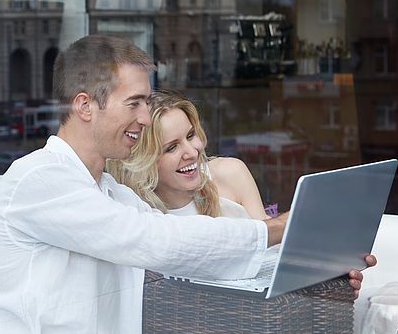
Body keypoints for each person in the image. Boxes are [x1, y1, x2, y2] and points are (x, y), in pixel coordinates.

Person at [0, 35, 296, 334]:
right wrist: (272, 230)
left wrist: (308, 256)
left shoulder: (108, 192)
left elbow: (186, 249)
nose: (145, 117)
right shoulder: (39, 180)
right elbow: (156, 241)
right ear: (85, 105)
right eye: (135, 103)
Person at [107, 89, 374, 291]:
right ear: (143, 162)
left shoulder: (230, 173)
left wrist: (329, 271)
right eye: (171, 147)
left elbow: (270, 256)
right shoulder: (136, 214)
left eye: (190, 136)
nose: (192, 152)